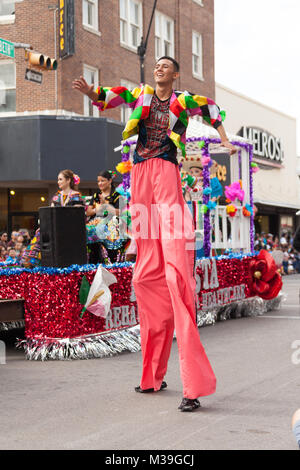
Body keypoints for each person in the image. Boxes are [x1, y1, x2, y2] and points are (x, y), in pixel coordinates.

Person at [73, 56, 236, 412]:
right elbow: (113, 94)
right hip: (142, 178)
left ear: (175, 74)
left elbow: (211, 108)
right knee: (146, 279)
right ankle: (152, 375)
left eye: (166, 65)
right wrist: (91, 93)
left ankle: (192, 386)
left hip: (165, 174)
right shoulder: (143, 94)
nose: (159, 68)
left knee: (176, 277)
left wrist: (223, 139)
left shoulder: (182, 100)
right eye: (157, 64)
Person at [86, 170, 126, 264]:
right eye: (98, 181)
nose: (100, 183)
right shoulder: (96, 195)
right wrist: (97, 210)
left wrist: (106, 206)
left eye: (102, 181)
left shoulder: (116, 196)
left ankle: (110, 261)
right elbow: (88, 212)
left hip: (111, 224)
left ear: (110, 181)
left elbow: (120, 212)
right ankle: (92, 262)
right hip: (95, 224)